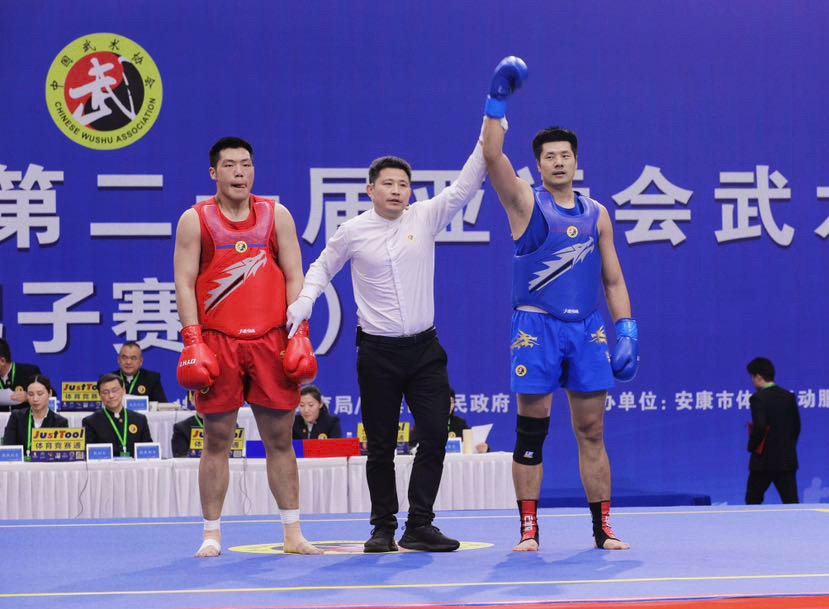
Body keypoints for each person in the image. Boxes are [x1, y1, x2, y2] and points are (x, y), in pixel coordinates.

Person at [286, 120, 487, 553]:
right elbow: (322, 267)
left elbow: (467, 183)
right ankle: (382, 527)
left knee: (434, 434)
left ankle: (420, 524)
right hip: (378, 353)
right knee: (380, 445)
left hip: (425, 350)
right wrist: (304, 302)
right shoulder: (352, 231)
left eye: (404, 184)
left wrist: (489, 127)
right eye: (388, 184)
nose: (397, 191)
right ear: (370, 189)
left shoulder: (425, 216)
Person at [481, 56, 639, 552]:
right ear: (539, 164)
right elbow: (492, 157)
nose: (558, 162)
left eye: (565, 155)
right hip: (537, 327)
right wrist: (497, 104)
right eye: (549, 156)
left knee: (592, 430)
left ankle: (603, 528)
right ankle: (529, 529)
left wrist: (627, 328)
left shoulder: (598, 213)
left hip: (587, 328)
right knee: (532, 432)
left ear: (576, 161)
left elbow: (613, 278)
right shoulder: (525, 203)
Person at [173, 136, 321, 557]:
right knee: (216, 439)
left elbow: (295, 275)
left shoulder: (276, 215)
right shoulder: (195, 220)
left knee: (280, 438)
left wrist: (300, 331)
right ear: (213, 173)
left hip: (271, 339)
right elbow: (184, 281)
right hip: (218, 341)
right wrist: (192, 339)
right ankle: (211, 534)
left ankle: (293, 534)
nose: (239, 172)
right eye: (230, 165)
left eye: (246, 165)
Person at [745, 357, 800, 504]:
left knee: (752, 501)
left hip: (763, 462)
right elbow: (796, 427)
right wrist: (788, 446)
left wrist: (751, 446)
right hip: (786, 460)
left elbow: (760, 427)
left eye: (752, 377)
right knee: (791, 503)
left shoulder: (758, 399)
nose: (752, 381)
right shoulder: (788, 397)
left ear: (758, 376)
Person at [82, 374, 153, 456]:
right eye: (105, 392)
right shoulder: (91, 422)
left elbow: (149, 451)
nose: (111, 396)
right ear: (100, 395)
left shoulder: (139, 419)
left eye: (114, 390)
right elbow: (90, 453)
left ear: (123, 391)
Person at [2, 375, 68, 455]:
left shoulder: (60, 422)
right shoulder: (16, 417)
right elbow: (8, 448)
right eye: (30, 394)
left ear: (49, 393)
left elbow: (61, 454)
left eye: (40, 394)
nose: (35, 399)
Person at [411, 388, 489, 453]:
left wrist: (485, 449)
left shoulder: (460, 424)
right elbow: (411, 446)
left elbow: (472, 445)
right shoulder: (424, 423)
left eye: (451, 402)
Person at [0, 338, 42, 412]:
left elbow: (51, 395)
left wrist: (28, 396)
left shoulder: (29, 372)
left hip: (27, 418)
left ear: (2, 361)